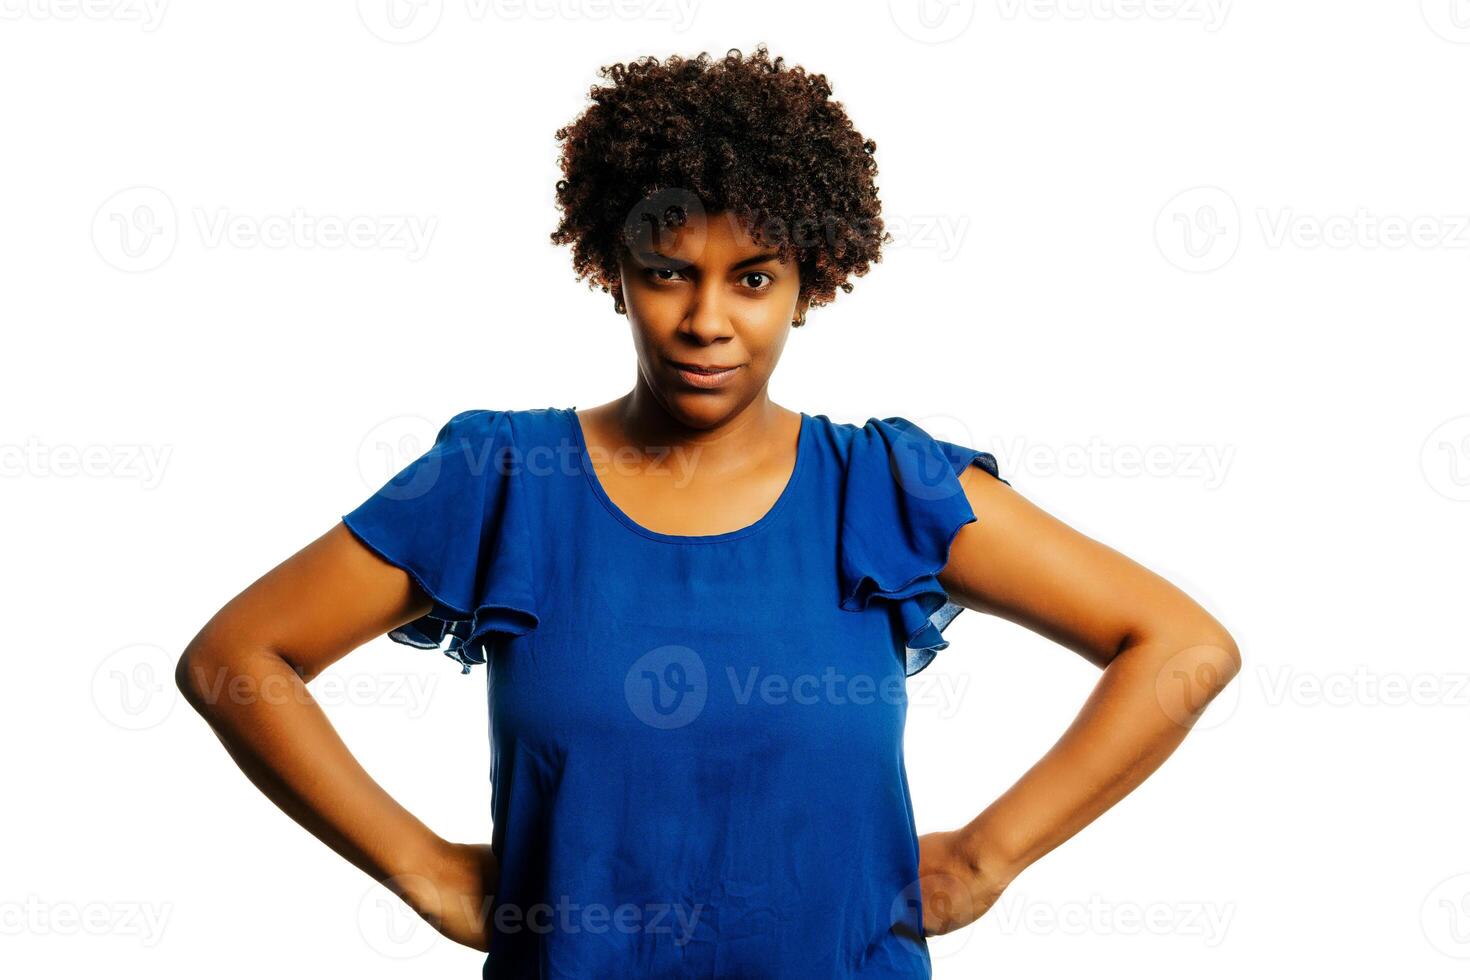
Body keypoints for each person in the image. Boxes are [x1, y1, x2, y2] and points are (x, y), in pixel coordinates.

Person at [175, 45, 1240, 979]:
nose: (705, 320)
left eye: (754, 277)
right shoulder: (503, 477)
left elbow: (1180, 644)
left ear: (812, 280)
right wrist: (421, 866)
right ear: (613, 269)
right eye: (668, 272)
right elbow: (240, 656)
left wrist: (983, 859)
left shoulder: (885, 489)